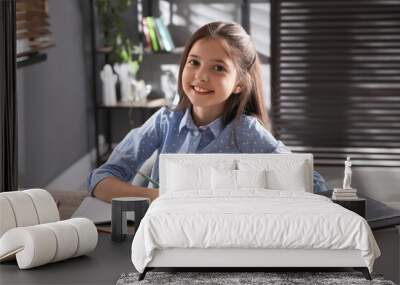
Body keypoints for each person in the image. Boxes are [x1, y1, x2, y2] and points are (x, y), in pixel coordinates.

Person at [88, 21, 328, 203]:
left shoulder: (245, 132)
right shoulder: (164, 122)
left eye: (218, 68)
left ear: (240, 84)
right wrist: (158, 196)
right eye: (194, 62)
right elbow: (100, 180)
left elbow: (310, 180)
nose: (201, 76)